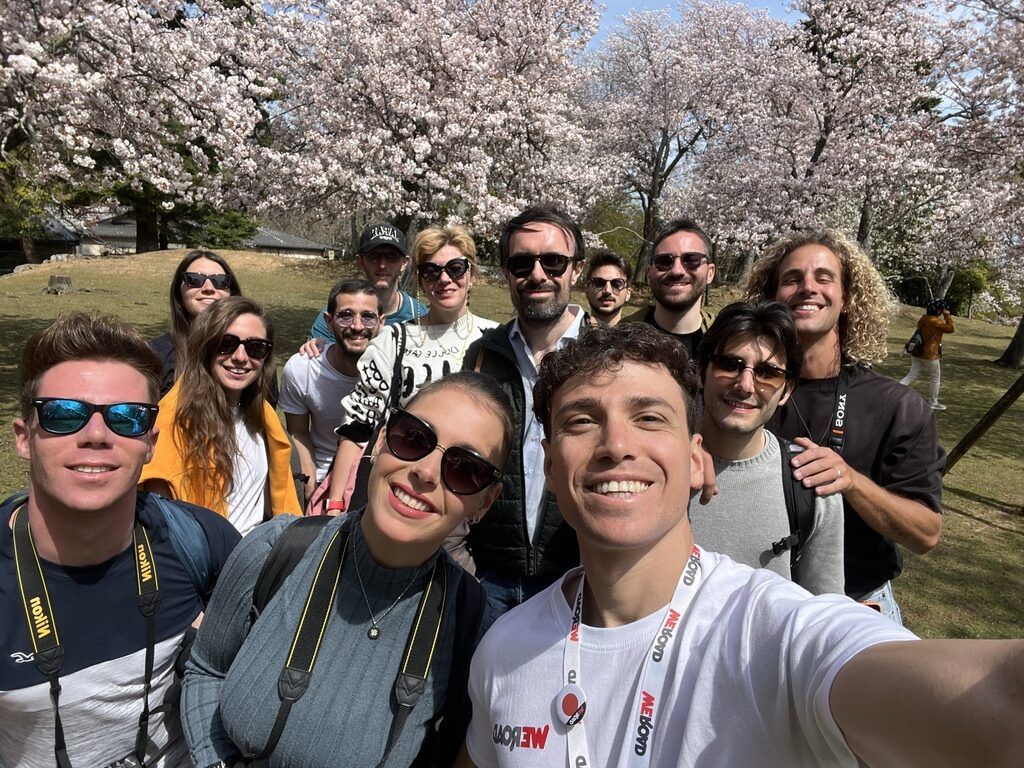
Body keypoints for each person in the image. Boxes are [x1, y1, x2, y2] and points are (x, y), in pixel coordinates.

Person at [460, 323, 1023, 768]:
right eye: (582, 421)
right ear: (552, 468)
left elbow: (995, 703)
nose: (617, 445)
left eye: (650, 417)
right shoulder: (506, 650)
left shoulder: (775, 633)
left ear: (696, 458)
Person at [181, 372, 513, 767]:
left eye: (464, 468)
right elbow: (206, 669)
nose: (425, 472)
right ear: (381, 439)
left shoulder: (473, 624)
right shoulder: (277, 550)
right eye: (413, 437)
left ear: (484, 503)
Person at [1, 313, 240, 768]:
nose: (96, 436)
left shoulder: (201, 541)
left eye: (127, 418)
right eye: (63, 414)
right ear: (24, 437)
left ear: (150, 442)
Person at [746, 229, 943, 622]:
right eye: (792, 279)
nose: (807, 288)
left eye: (823, 278)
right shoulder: (746, 392)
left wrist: (851, 481)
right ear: (771, 297)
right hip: (757, 610)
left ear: (847, 298)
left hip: (855, 610)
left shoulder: (898, 406)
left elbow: (925, 534)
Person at [462, 204, 591, 614]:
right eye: (522, 263)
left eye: (553, 262)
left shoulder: (608, 358)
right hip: (489, 578)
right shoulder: (483, 355)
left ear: (577, 269)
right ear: (507, 274)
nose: (538, 275)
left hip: (579, 577)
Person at [324, 225, 499, 525]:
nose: (444, 279)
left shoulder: (495, 339)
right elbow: (357, 427)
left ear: (472, 275)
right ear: (419, 280)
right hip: (403, 489)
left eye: (456, 268)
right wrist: (335, 504)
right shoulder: (394, 340)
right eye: (431, 271)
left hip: (466, 497)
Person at [692, 300, 844, 595]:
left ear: (787, 390)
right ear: (700, 371)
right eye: (729, 365)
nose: (746, 385)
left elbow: (825, 614)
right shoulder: (656, 464)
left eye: (768, 373)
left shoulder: (811, 484)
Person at [140, 296, 301, 535]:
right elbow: (159, 518)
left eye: (256, 348)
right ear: (205, 346)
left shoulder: (263, 416)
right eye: (226, 343)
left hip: (261, 555)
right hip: (207, 560)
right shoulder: (173, 418)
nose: (240, 357)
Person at [279, 279, 383, 499]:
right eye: (346, 315)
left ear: (381, 322)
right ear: (329, 321)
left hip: (375, 481)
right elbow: (298, 431)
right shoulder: (301, 369)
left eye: (368, 316)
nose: (357, 326)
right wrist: (309, 478)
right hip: (322, 478)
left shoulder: (394, 371)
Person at [307, 222, 426, 343]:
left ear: (404, 263)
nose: (382, 265)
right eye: (374, 256)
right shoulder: (337, 314)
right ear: (360, 261)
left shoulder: (419, 314)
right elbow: (319, 356)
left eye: (392, 257)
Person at [151, 249, 242, 396]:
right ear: (179, 293)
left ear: (232, 293)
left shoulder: (253, 352)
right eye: (194, 280)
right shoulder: (157, 354)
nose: (208, 288)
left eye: (220, 281)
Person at [622, 217, 716, 359]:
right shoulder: (619, 339)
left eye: (691, 260)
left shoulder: (727, 341)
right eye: (664, 261)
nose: (677, 271)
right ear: (648, 274)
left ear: (710, 273)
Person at [900, 298, 955, 410]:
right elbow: (951, 329)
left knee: (912, 374)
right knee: (935, 377)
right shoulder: (936, 321)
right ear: (938, 310)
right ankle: (933, 401)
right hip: (930, 354)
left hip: (917, 351)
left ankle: (895, 390)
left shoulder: (923, 319)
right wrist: (947, 316)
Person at [584, 249, 632, 326]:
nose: (607, 290)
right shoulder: (569, 335)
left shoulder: (638, 337)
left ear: (628, 293)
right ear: (586, 291)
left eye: (616, 284)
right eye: (599, 283)